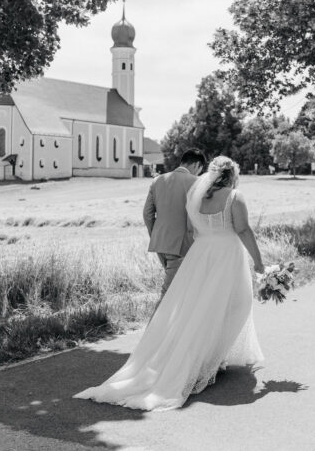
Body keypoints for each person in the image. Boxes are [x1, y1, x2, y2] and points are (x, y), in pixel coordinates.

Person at [74, 156, 265, 411]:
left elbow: (191, 231)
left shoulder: (196, 198)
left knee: (197, 309)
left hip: (199, 256)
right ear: (232, 176)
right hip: (226, 257)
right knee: (235, 305)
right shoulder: (235, 197)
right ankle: (204, 362)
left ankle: (210, 358)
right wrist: (260, 263)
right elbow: (243, 230)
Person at [142, 148, 206, 304]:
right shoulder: (196, 182)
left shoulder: (157, 181)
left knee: (181, 291)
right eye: (200, 170)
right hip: (182, 246)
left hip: (161, 244)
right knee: (168, 295)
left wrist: (156, 234)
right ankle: (154, 328)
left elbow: (147, 214)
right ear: (197, 165)